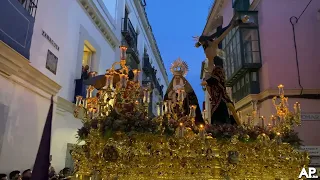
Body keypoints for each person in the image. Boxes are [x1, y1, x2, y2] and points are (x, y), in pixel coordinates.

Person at [195, 18, 243, 125]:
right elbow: (200, 44)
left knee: (216, 88)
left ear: (206, 40)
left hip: (214, 68)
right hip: (209, 68)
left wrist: (231, 26)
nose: (202, 45)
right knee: (211, 92)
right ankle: (214, 102)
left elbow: (222, 35)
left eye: (202, 42)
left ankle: (222, 113)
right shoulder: (205, 46)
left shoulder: (213, 44)